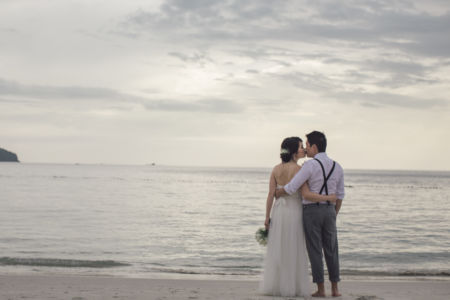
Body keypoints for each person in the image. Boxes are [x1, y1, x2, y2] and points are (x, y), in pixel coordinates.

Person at [260, 136, 337, 297]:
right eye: (301, 147)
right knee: (294, 248)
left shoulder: (275, 169)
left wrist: (267, 218)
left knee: (280, 248)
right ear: (294, 152)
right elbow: (306, 194)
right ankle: (292, 286)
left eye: (304, 146)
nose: (303, 149)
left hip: (279, 210)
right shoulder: (299, 170)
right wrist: (328, 198)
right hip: (294, 210)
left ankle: (277, 285)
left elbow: (270, 195)